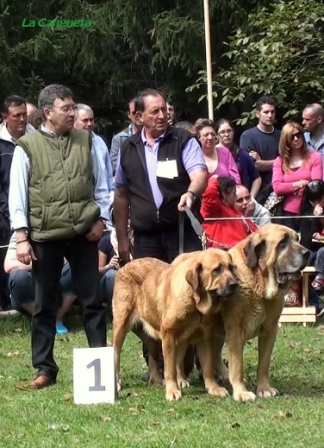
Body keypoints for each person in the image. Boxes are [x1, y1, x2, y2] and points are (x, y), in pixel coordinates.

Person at [9, 84, 109, 389]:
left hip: (84, 234)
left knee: (93, 301)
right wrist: (22, 237)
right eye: (66, 108)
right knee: (44, 305)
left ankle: (101, 367)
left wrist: (101, 220)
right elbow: (18, 194)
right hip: (44, 237)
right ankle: (45, 369)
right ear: (48, 112)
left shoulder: (90, 141)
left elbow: (103, 185)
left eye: (73, 107)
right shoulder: (26, 146)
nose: (72, 113)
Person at [114, 88, 207, 264]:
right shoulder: (127, 148)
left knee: (185, 289)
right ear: (140, 117)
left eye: (164, 109)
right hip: (145, 238)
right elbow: (120, 195)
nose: (163, 115)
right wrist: (122, 238)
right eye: (155, 111)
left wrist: (191, 193)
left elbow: (199, 173)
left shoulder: (183, 139)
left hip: (181, 232)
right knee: (151, 290)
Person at [4, 232, 77, 334]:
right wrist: (42, 263)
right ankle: (45, 319)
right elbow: (9, 266)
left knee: (76, 268)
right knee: (17, 277)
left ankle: (57, 317)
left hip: (57, 283)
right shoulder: (20, 234)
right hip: (30, 285)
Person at [0, 95, 34, 310]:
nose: (22, 120)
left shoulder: (35, 137)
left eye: (25, 115)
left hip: (32, 209)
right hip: (4, 213)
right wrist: (7, 209)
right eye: (17, 116)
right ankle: (6, 305)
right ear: (5, 118)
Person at [272, 121, 322, 231]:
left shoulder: (314, 157)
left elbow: (315, 186)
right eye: (291, 137)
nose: (296, 139)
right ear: (285, 140)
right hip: (287, 213)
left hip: (310, 211)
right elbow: (277, 188)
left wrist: (289, 187)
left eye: (298, 135)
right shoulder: (279, 161)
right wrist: (299, 184)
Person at [74, 103, 114, 226]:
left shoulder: (100, 142)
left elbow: (108, 177)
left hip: (103, 206)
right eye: (85, 120)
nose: (90, 124)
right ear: (74, 121)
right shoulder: (70, 144)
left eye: (91, 120)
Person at [239, 96, 281, 204]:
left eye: (272, 112)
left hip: (280, 189)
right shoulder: (248, 136)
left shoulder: (282, 136)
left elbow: (288, 163)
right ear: (257, 114)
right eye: (266, 112)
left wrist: (263, 162)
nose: (270, 115)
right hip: (257, 192)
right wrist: (280, 161)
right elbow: (254, 166)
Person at [201, 176, 258, 249]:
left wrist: (247, 217)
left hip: (241, 252)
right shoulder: (214, 210)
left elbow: (256, 233)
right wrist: (214, 178)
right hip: (223, 253)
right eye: (234, 193)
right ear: (224, 194)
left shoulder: (236, 212)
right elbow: (210, 191)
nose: (236, 196)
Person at [215, 119, 262, 198]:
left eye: (229, 131)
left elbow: (257, 179)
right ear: (216, 135)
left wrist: (250, 198)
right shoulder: (213, 154)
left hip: (241, 201)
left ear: (233, 132)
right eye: (222, 132)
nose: (226, 134)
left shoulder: (241, 154)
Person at [194, 118, 240, 183]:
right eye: (206, 135)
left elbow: (236, 180)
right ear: (198, 137)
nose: (210, 137)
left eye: (212, 134)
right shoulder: (193, 156)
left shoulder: (225, 153)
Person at [110, 98, 143, 174]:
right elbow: (113, 165)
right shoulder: (119, 138)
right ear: (129, 114)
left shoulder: (153, 135)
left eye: (140, 112)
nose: (138, 116)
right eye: (134, 113)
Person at [98, 232, 119, 318]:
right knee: (113, 274)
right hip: (106, 282)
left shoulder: (138, 240)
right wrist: (109, 266)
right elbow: (98, 270)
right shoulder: (107, 240)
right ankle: (114, 309)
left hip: (129, 278)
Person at [302, 103, 324, 177]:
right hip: (308, 186)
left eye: (307, 119)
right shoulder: (302, 139)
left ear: (319, 119)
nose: (303, 122)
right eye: (303, 119)